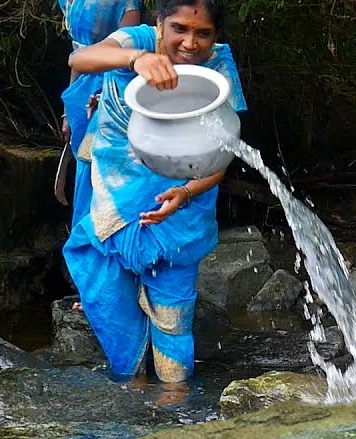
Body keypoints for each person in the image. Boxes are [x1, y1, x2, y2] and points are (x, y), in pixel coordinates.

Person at [64, 0, 245, 384]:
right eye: (180, 28)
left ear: (215, 35)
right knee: (106, 293)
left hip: (181, 212)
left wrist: (185, 193)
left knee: (173, 318)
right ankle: (132, 383)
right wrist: (136, 60)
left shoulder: (219, 69)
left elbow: (222, 155)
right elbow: (79, 59)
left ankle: (175, 401)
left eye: (203, 33)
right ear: (160, 23)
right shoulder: (138, 41)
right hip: (116, 201)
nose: (190, 43)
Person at [58, 0, 142, 227]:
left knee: (103, 174)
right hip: (81, 89)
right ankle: (83, 238)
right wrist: (67, 113)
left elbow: (126, 55)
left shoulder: (127, 3)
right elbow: (78, 54)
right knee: (84, 170)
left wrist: (107, 97)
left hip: (114, 90)